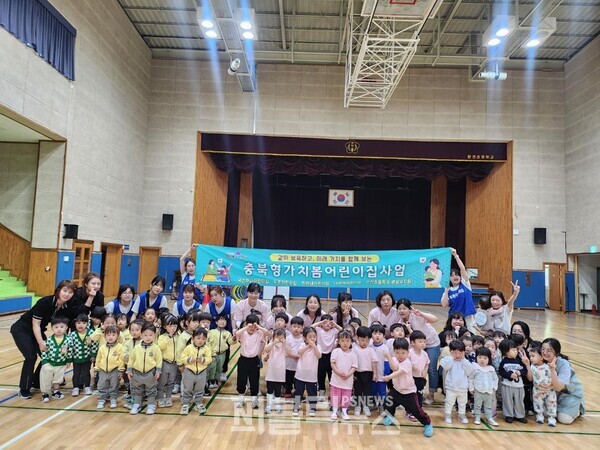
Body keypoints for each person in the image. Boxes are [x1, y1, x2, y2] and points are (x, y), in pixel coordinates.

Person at [10, 279, 78, 398]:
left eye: (70, 292)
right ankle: (24, 388)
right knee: (31, 357)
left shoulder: (66, 307)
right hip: (22, 329)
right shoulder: (45, 302)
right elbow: (35, 324)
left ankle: (36, 382)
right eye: (64, 290)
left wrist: (64, 343)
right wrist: (41, 342)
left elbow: (64, 326)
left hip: (39, 330)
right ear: (58, 290)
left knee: (48, 355)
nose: (67, 294)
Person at [381, 338, 434, 437]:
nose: (400, 355)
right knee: (388, 403)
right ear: (394, 351)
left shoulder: (407, 363)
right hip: (397, 390)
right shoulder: (394, 359)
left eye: (403, 353)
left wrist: (388, 377)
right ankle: (390, 417)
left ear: (408, 353)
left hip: (408, 392)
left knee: (416, 411)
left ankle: (427, 424)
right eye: (397, 353)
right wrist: (388, 357)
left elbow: (398, 372)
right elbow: (394, 368)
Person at [397, 298, 441, 404]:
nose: (402, 311)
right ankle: (414, 392)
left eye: (404, 308)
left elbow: (435, 319)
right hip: (415, 347)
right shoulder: (400, 323)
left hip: (431, 344)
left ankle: (431, 394)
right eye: (399, 309)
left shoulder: (417, 316)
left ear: (410, 309)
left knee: (431, 368)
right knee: (414, 367)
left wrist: (421, 313)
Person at [541, 338, 585, 424]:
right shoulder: (541, 361)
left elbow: (558, 388)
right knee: (544, 413)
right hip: (553, 394)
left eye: (549, 350)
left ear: (557, 353)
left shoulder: (564, 364)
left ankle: (577, 409)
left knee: (564, 419)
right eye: (543, 349)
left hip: (570, 394)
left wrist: (552, 370)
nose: (544, 352)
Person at [235, 314, 270, 409]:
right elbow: (237, 333)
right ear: (246, 324)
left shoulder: (259, 333)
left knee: (254, 380)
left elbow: (267, 333)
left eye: (255, 326)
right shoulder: (243, 333)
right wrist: (246, 327)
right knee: (241, 380)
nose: (252, 328)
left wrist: (258, 327)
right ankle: (241, 399)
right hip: (243, 359)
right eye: (250, 325)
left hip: (254, 360)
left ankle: (254, 400)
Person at [127, 323, 163, 415]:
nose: (148, 337)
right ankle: (136, 404)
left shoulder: (156, 348)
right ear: (141, 335)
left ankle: (150, 405)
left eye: (151, 335)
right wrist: (129, 370)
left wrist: (158, 371)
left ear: (154, 335)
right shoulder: (137, 348)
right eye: (145, 335)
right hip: (137, 373)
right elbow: (131, 359)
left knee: (151, 390)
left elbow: (159, 360)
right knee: (137, 390)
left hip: (150, 373)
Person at [441, 248, 477, 334]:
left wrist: (456, 256)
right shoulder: (448, 290)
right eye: (452, 276)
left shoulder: (465, 284)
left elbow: (462, 269)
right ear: (449, 279)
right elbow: (444, 305)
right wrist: (446, 291)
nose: (455, 277)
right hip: (455, 318)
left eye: (457, 275)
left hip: (467, 316)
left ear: (460, 277)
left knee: (471, 335)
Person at [178, 327, 212, 415]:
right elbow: (183, 357)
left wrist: (203, 360)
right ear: (193, 338)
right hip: (189, 371)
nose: (201, 341)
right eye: (198, 338)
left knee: (200, 389)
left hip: (201, 372)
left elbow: (209, 359)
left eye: (203, 339)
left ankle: (198, 403)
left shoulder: (206, 349)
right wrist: (190, 359)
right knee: (187, 388)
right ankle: (185, 404)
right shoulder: (188, 348)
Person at [440, 339, 474, 424]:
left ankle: (462, 415)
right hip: (451, 387)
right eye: (455, 352)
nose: (457, 355)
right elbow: (445, 366)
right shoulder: (448, 359)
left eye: (460, 352)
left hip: (463, 387)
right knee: (449, 402)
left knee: (462, 402)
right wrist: (452, 358)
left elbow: (470, 371)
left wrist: (464, 360)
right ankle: (447, 415)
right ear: (450, 351)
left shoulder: (465, 362)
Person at [39, 317, 71, 402]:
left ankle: (56, 392)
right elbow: (44, 350)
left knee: (58, 378)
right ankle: (45, 393)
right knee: (46, 378)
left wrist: (68, 361)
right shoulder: (49, 340)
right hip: (49, 362)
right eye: (56, 327)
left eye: (61, 327)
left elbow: (70, 351)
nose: (59, 329)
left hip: (61, 363)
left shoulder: (68, 340)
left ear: (66, 328)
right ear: (52, 328)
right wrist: (44, 361)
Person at [498, 338, 530, 423]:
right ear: (506, 352)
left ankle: (520, 415)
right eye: (513, 350)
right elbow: (501, 372)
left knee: (519, 401)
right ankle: (509, 415)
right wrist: (510, 375)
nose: (516, 351)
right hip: (507, 385)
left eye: (516, 350)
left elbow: (525, 371)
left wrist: (520, 372)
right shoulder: (503, 362)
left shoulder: (519, 361)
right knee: (507, 401)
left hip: (519, 386)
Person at [94, 325, 125, 409]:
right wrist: (96, 368)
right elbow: (98, 359)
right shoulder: (102, 348)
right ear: (105, 336)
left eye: (113, 335)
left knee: (114, 385)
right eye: (108, 335)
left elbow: (121, 359)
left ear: (118, 336)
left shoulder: (120, 347)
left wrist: (120, 370)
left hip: (115, 370)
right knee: (102, 385)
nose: (110, 337)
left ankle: (113, 399)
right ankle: (102, 399)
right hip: (103, 370)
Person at [329, 330, 358, 421]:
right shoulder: (335, 351)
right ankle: (334, 411)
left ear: (351, 342)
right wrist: (338, 373)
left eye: (347, 341)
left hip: (348, 381)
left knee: (346, 396)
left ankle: (344, 412)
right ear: (339, 341)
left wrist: (348, 375)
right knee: (335, 395)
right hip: (336, 379)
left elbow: (354, 366)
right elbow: (332, 363)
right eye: (342, 341)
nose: (345, 343)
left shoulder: (353, 354)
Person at [293, 327, 322, 417]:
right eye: (310, 337)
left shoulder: (318, 346)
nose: (312, 338)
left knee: (312, 392)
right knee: (298, 392)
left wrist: (314, 346)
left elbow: (319, 356)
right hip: (300, 374)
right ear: (305, 338)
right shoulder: (302, 345)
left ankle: (312, 408)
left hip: (311, 375)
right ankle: (296, 407)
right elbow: (299, 352)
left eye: (314, 336)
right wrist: (308, 346)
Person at [312, 314, 341, 401]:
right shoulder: (319, 330)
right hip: (321, 355)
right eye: (325, 322)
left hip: (331, 355)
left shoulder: (334, 331)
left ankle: (332, 392)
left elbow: (343, 331)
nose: (328, 324)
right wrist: (320, 323)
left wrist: (335, 325)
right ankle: (321, 392)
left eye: (330, 322)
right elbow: (310, 327)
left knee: (331, 374)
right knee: (321, 375)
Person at [67, 314, 98, 397]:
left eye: (84, 323)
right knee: (76, 373)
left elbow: (94, 345)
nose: (81, 325)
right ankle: (75, 388)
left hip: (87, 358)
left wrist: (93, 355)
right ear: (75, 324)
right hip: (76, 359)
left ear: (87, 324)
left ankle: (87, 387)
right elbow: (70, 348)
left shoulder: (91, 333)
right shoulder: (72, 335)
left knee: (86, 373)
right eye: (79, 323)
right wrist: (69, 359)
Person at [469, 347, 499, 426]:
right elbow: (471, 378)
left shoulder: (491, 369)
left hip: (489, 391)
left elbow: (495, 379)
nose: (482, 360)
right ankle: (477, 417)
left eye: (485, 358)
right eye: (480, 357)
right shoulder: (475, 367)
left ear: (489, 359)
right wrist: (471, 388)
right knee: (477, 405)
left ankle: (489, 418)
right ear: (476, 357)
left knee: (488, 406)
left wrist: (494, 387)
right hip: (478, 390)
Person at [264, 328, 292, 414]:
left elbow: (289, 353)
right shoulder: (271, 345)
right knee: (269, 389)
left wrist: (285, 343)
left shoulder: (284, 347)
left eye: (281, 337)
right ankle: (269, 405)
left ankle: (277, 405)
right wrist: (273, 342)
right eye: (277, 337)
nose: (279, 339)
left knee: (278, 390)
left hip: (280, 373)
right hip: (271, 372)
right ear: (273, 337)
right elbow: (266, 349)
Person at [528, 345, 557, 426]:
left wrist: (550, 384)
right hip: (537, 390)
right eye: (530, 356)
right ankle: (539, 415)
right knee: (538, 403)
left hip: (550, 390)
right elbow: (531, 378)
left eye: (533, 356)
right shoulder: (532, 367)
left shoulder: (548, 366)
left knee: (551, 403)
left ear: (541, 357)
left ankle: (552, 417)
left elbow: (553, 376)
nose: (531, 358)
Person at [352, 326, 378, 417]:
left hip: (368, 373)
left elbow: (374, 361)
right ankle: (358, 406)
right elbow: (352, 362)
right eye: (362, 340)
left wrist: (375, 373)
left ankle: (366, 406)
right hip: (357, 373)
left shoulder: (371, 350)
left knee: (367, 391)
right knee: (358, 391)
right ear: (357, 338)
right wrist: (352, 374)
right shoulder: (354, 349)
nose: (364, 343)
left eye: (367, 341)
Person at [157, 314, 179, 408]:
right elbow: (160, 347)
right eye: (170, 326)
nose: (173, 328)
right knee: (162, 382)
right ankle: (160, 398)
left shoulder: (178, 336)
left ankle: (168, 397)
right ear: (165, 326)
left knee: (171, 382)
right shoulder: (162, 337)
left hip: (174, 363)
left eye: (175, 326)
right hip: (165, 363)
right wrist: (168, 337)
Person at [206, 314, 235, 388]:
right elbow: (208, 342)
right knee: (212, 367)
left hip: (222, 353)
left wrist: (234, 339)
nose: (222, 322)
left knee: (220, 368)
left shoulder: (227, 333)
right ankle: (210, 380)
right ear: (216, 322)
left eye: (224, 320)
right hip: (213, 354)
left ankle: (216, 379)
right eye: (220, 320)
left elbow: (230, 342)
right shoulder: (211, 332)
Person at [284, 316, 305, 398]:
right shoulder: (288, 338)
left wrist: (300, 355)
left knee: (298, 381)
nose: (296, 328)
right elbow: (285, 351)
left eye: (299, 327)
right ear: (290, 327)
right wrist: (293, 355)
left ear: (302, 328)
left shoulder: (304, 339)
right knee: (288, 380)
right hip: (289, 364)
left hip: (300, 365)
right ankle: (288, 392)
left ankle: (298, 394)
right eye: (294, 326)